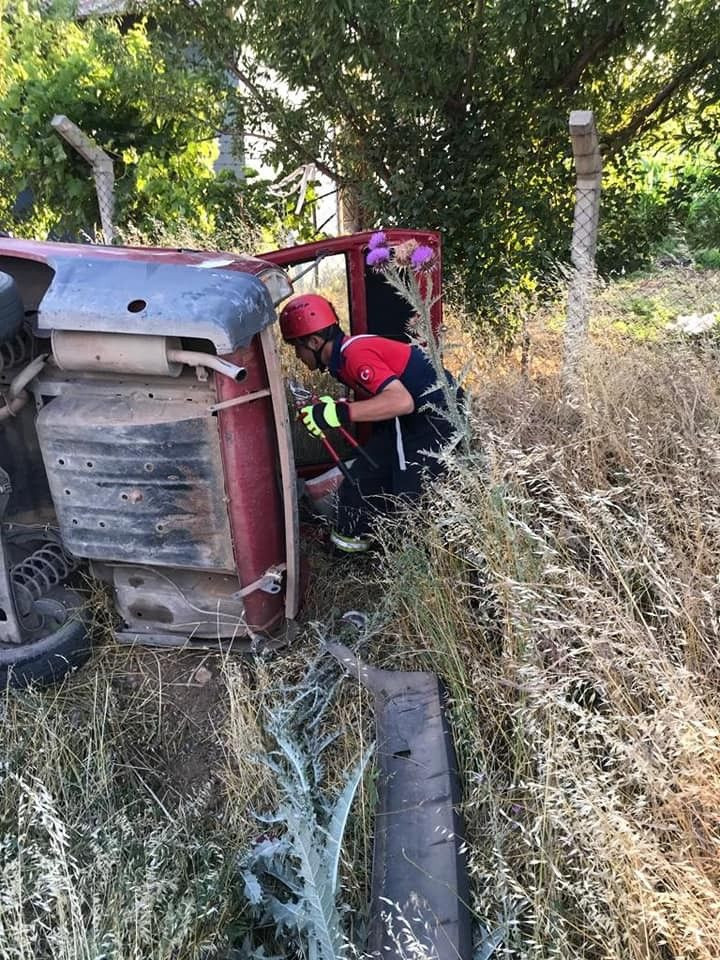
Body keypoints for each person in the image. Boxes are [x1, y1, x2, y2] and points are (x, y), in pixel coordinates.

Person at [279, 293, 459, 554]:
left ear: (315, 341)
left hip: (432, 418)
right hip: (408, 419)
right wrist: (331, 408)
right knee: (360, 478)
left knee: (410, 497)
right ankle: (350, 552)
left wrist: (338, 414)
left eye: (297, 347)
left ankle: (426, 561)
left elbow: (401, 401)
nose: (297, 356)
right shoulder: (343, 356)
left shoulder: (354, 355)